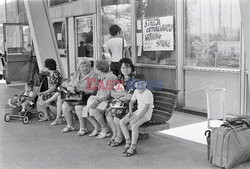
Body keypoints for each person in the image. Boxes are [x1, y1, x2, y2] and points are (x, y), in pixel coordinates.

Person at [61, 58, 99, 136]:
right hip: (74, 97)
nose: (85, 68)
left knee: (78, 107)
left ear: (90, 66)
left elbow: (93, 90)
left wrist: (81, 89)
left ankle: (83, 128)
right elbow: (71, 83)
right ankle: (70, 125)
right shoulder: (76, 73)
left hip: (86, 98)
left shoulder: (93, 75)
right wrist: (68, 87)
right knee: (65, 106)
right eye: (83, 66)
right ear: (79, 67)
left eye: (87, 66)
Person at [119, 73, 154, 157]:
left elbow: (146, 109)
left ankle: (133, 147)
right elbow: (131, 102)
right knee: (122, 122)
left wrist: (136, 118)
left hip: (146, 114)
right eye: (138, 84)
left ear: (146, 83)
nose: (140, 85)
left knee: (134, 126)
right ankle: (128, 141)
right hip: (138, 112)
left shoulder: (148, 93)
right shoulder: (136, 91)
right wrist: (130, 112)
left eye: (142, 83)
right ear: (134, 85)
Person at [83, 60, 117, 139]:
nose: (95, 70)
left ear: (99, 69)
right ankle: (98, 128)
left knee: (94, 110)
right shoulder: (103, 77)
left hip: (108, 100)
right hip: (100, 98)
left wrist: (97, 101)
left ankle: (105, 129)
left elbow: (109, 94)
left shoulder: (111, 77)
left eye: (96, 68)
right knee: (85, 110)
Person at [105, 58, 136, 147]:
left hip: (131, 105)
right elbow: (112, 93)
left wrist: (120, 95)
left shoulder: (135, 79)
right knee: (108, 115)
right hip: (120, 103)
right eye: (123, 68)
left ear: (131, 68)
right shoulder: (120, 78)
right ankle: (115, 134)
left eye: (127, 67)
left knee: (116, 118)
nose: (125, 69)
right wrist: (123, 94)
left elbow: (130, 97)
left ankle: (120, 136)